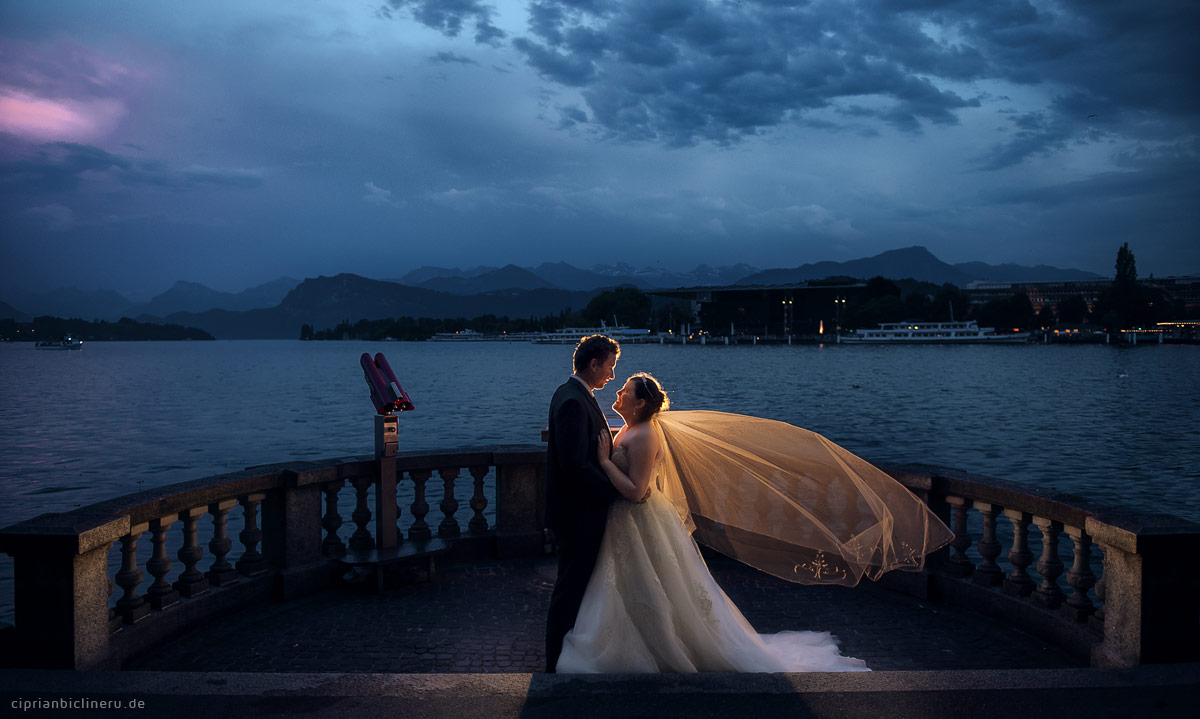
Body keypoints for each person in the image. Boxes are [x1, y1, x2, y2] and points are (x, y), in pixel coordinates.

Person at [555, 372, 955, 673]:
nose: (618, 392)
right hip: (628, 525)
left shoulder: (643, 436)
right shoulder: (629, 428)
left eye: (625, 389)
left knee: (656, 587)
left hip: (638, 516)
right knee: (638, 587)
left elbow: (637, 491)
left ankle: (661, 648)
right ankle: (633, 642)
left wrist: (605, 462)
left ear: (640, 404)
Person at [543, 334, 622, 673]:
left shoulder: (573, 394)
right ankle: (555, 664)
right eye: (609, 367)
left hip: (578, 513)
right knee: (570, 591)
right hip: (579, 516)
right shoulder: (574, 401)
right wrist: (616, 490)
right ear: (593, 364)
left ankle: (564, 658)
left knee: (575, 588)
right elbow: (576, 466)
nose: (612, 375)